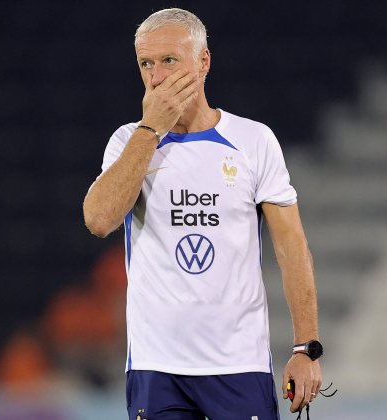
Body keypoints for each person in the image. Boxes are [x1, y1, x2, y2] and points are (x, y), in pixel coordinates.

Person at [83, 8, 322, 419]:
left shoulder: (252, 140)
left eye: (170, 60)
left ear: (204, 61)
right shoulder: (128, 141)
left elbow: (292, 247)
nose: (157, 78)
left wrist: (305, 348)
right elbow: (99, 219)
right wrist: (150, 129)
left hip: (237, 365)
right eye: (146, 64)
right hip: (157, 368)